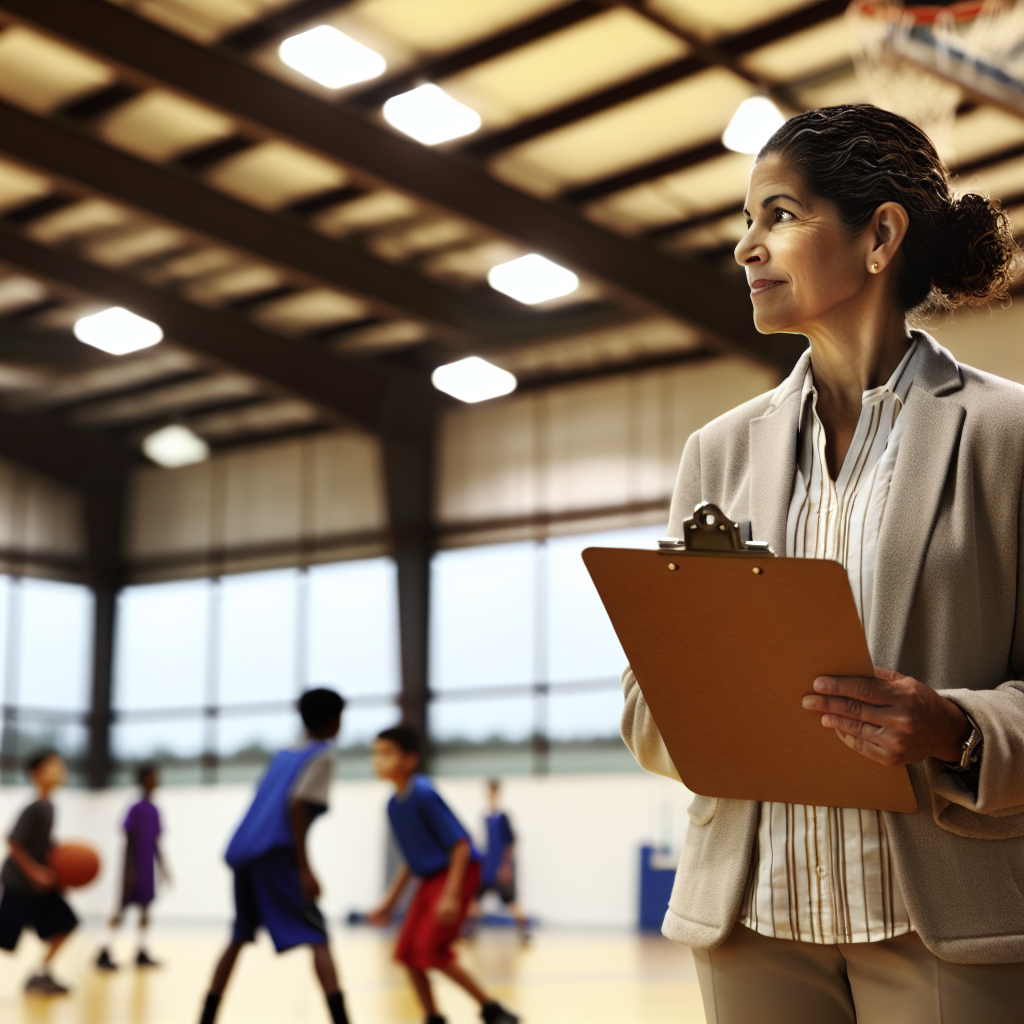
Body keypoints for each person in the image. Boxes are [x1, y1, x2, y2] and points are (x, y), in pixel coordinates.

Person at [621, 104, 1024, 1024]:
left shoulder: (1008, 437)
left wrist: (956, 727)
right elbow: (647, 702)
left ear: (880, 236)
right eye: (746, 221)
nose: (745, 248)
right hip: (750, 922)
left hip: (944, 923)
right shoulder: (715, 453)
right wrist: (700, 703)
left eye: (780, 215)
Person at [196, 688, 351, 1024]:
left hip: (245, 852)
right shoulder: (323, 755)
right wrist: (305, 870)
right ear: (334, 720)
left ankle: (205, 1017)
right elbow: (296, 805)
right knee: (318, 935)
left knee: (238, 936)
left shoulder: (282, 756)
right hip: (275, 854)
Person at [368, 726, 519, 1024]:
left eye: (387, 753)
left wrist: (451, 895)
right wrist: (389, 902)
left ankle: (492, 1009)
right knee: (406, 953)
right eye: (375, 754)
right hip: (429, 879)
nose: (378, 760)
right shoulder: (393, 806)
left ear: (410, 759)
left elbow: (461, 845)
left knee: (431, 950)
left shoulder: (423, 793)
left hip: (456, 873)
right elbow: (410, 860)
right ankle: (433, 1016)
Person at [0, 749, 78, 995]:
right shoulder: (35, 807)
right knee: (3, 939)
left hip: (37, 888)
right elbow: (14, 841)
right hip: (19, 885)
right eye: (53, 765)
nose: (60, 769)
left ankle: (40, 974)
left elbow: (43, 847)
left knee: (67, 923)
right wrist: (35, 872)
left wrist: (60, 874)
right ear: (37, 774)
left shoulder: (49, 807)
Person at [96, 763, 169, 970]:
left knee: (145, 910)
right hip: (134, 867)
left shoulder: (155, 810)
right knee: (120, 911)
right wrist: (129, 870)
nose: (157, 781)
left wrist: (163, 868)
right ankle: (103, 949)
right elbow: (128, 839)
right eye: (153, 777)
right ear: (145, 779)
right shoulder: (135, 809)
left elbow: (156, 842)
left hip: (147, 869)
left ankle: (141, 951)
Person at [469, 780, 529, 942]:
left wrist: (506, 866)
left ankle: (525, 930)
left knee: (511, 901)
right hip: (487, 867)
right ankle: (469, 930)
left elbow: (510, 843)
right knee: (474, 899)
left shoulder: (503, 818)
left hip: (501, 866)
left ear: (497, 792)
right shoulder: (485, 817)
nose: (490, 794)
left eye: (492, 791)